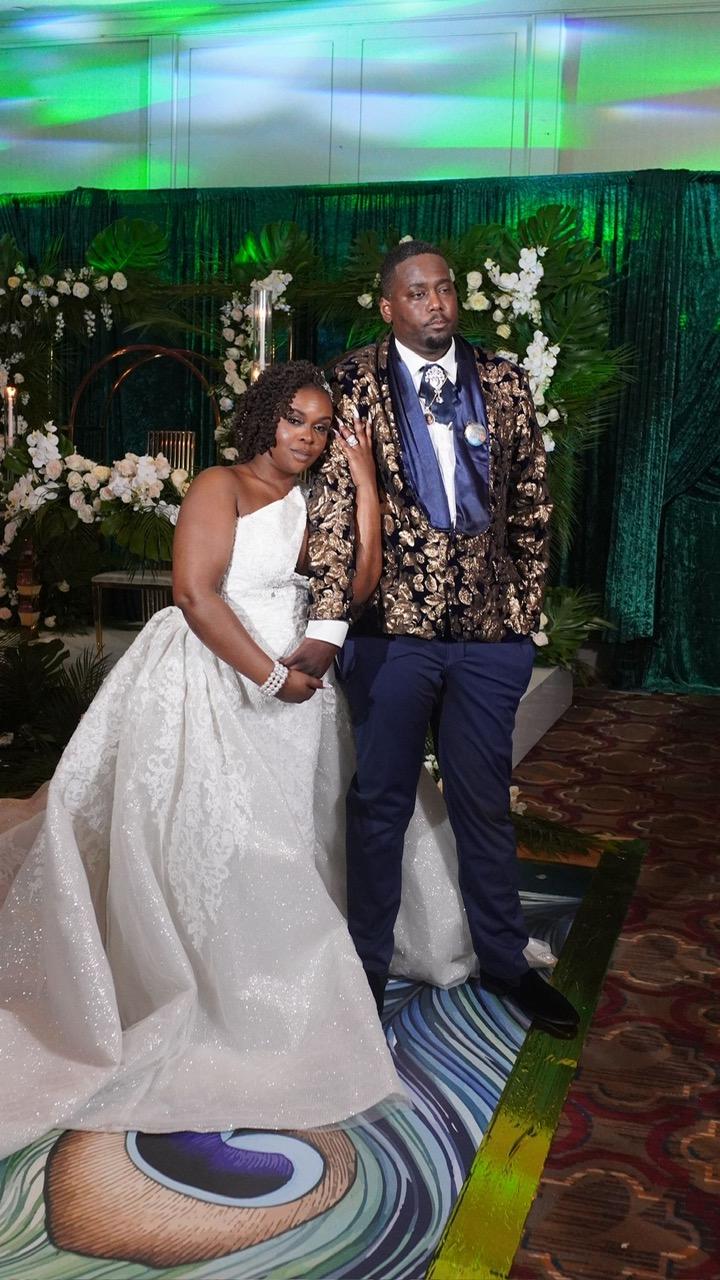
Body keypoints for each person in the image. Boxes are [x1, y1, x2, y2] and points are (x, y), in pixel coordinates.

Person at [0, 361, 407, 1160]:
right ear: (265, 416)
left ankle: (276, 967)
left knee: (297, 838)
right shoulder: (220, 485)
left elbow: (356, 588)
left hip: (300, 690)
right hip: (216, 677)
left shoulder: (315, 499)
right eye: (295, 419)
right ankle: (218, 984)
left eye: (322, 427)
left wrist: (365, 485)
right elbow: (194, 593)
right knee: (227, 840)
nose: (308, 437)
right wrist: (270, 678)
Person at [285, 241, 579, 1039]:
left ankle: (506, 962)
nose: (437, 303)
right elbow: (334, 513)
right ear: (388, 306)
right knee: (380, 805)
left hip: (489, 640)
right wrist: (331, 623)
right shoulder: (352, 384)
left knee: (483, 801)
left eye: (445, 289)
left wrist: (519, 616)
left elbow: (531, 504)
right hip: (391, 637)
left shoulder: (504, 381)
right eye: (417, 293)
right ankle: (366, 969)